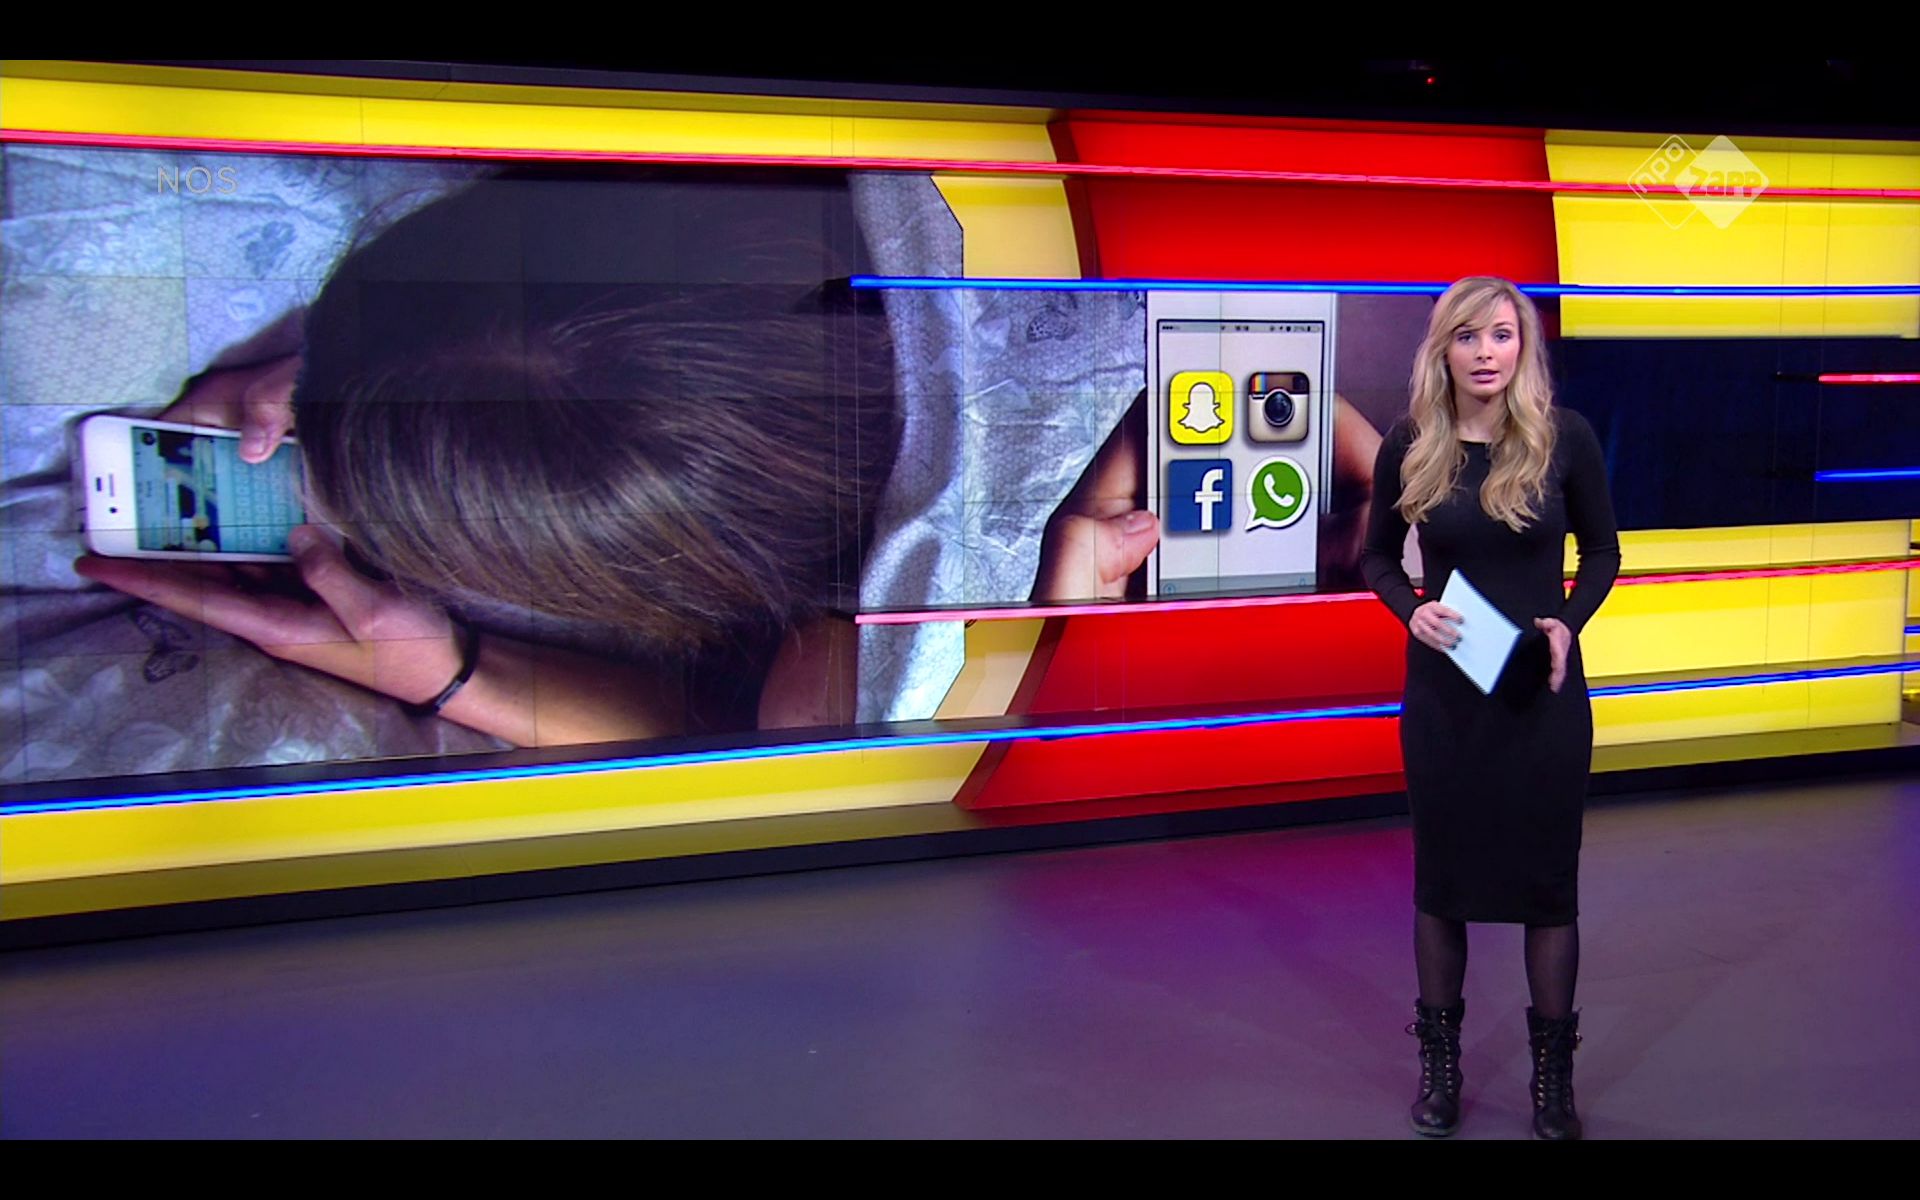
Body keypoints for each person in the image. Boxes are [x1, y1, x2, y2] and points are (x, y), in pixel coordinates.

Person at [72, 166, 1160, 749]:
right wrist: (391, 369)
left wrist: (456, 674)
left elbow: (744, 758)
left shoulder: (865, 691)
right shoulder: (939, 179)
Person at [1358, 276, 1621, 1140]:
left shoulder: (1564, 438)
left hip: (1540, 699)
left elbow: (1605, 553)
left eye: (1501, 335)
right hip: (1446, 702)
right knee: (1444, 886)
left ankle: (1553, 1081)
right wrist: (1411, 608)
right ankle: (1441, 1070)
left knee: (1549, 889)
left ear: (1522, 346)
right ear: (1443, 349)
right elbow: (1376, 558)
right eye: (1467, 337)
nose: (1485, 353)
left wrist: (1568, 622)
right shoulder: (1411, 442)